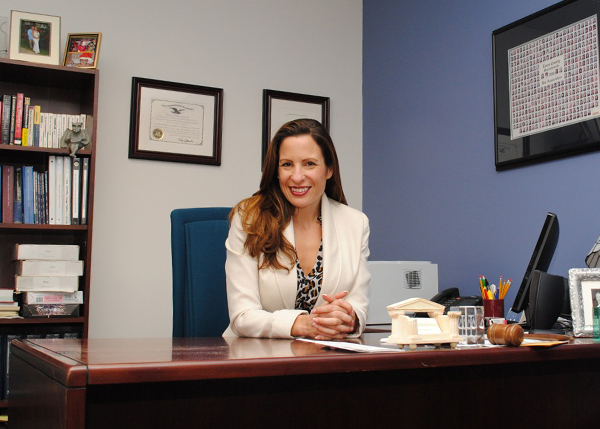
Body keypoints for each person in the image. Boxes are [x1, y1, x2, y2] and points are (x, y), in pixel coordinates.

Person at [223, 118, 370, 340]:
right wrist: (300, 324)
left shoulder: (355, 223)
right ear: (276, 170)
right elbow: (242, 316)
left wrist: (347, 317)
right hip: (257, 357)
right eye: (287, 164)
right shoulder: (249, 219)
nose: (297, 176)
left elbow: (358, 305)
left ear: (329, 169)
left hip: (327, 357)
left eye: (310, 163)